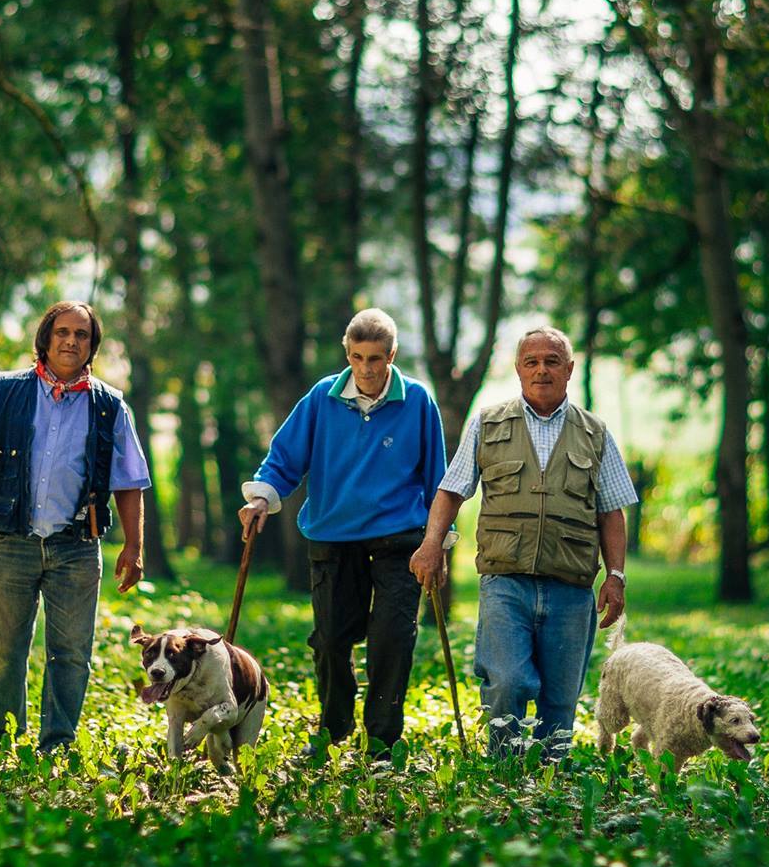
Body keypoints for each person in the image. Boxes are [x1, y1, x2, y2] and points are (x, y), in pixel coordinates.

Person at [409, 326, 635, 758]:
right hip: (504, 582)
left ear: (569, 370)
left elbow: (611, 510)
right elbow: (452, 489)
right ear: (517, 370)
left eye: (552, 361)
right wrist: (431, 543)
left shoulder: (595, 432)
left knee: (560, 697)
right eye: (531, 361)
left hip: (571, 587)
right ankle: (504, 768)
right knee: (508, 681)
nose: (541, 370)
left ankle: (550, 778)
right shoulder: (488, 423)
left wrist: (616, 575)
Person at [238, 309, 447, 757]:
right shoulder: (321, 398)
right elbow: (285, 457)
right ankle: (334, 728)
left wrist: (437, 543)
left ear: (391, 355)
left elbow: (436, 479)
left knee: (393, 639)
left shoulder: (418, 401)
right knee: (331, 638)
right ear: (346, 353)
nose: (367, 369)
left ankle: (382, 739)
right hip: (333, 536)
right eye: (357, 358)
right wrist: (261, 498)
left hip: (401, 539)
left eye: (375, 358)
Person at [0, 300, 149, 752]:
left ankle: (56, 744)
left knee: (71, 654)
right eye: (63, 332)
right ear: (46, 338)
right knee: (4, 651)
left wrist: (134, 547)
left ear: (92, 345)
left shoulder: (110, 405)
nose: (71, 341)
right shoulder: (8, 390)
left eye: (82, 335)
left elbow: (130, 482)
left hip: (76, 546)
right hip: (10, 543)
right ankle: (1, 739)